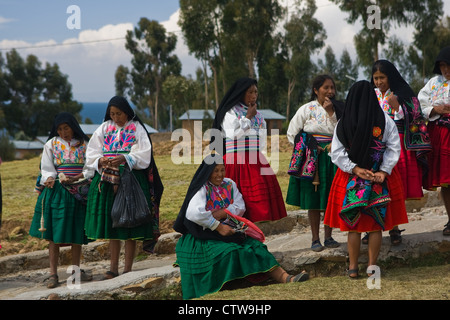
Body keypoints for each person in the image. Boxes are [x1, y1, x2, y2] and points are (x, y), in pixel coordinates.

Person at [173, 153, 308, 299]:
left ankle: (286, 278)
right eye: (215, 171)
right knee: (229, 252)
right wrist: (218, 226)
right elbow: (193, 213)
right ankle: (226, 289)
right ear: (208, 172)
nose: (220, 175)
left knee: (256, 247)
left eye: (222, 170)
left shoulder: (229, 184)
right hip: (203, 235)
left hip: (229, 227)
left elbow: (240, 206)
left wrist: (224, 212)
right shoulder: (203, 188)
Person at [324, 80, 408, 279]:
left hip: (350, 179)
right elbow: (394, 147)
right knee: (375, 224)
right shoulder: (384, 120)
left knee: (353, 225)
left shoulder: (343, 124)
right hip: (379, 178)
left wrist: (355, 169)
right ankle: (372, 267)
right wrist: (384, 171)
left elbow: (336, 153)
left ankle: (353, 268)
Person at [84, 96, 163, 279]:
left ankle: (127, 269)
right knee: (113, 227)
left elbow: (144, 153)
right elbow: (92, 151)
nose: (115, 117)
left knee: (130, 225)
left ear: (126, 112)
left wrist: (126, 158)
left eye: (118, 113)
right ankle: (112, 268)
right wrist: (101, 160)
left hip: (131, 179)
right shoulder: (104, 128)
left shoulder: (137, 128)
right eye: (112, 114)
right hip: (108, 178)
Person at [370, 59, 431, 245]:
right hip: (374, 148)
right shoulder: (370, 95)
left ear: (391, 77)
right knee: (373, 189)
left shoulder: (403, 94)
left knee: (395, 190)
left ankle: (394, 229)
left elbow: (416, 116)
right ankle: (371, 228)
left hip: (397, 148)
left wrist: (398, 107)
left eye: (382, 77)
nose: (379, 82)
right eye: (376, 78)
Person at [29, 112, 93, 288]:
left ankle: (75, 270)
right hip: (57, 192)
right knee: (53, 234)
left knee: (77, 232)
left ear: (73, 126)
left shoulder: (84, 144)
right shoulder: (51, 144)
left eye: (66, 128)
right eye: (59, 129)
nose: (63, 132)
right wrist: (49, 177)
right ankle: (52, 274)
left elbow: (90, 168)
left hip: (79, 191)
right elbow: (46, 167)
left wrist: (78, 177)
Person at [211, 77, 287, 222]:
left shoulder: (259, 116)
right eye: (250, 92)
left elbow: (261, 140)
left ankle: (254, 236)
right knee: (235, 200)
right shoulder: (230, 112)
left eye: (256, 92)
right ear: (241, 93)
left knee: (257, 204)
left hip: (254, 161)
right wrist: (247, 117)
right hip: (235, 161)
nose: (253, 96)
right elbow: (233, 135)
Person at [286, 75, 342, 251]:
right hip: (311, 159)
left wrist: (332, 112)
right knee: (313, 198)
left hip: (332, 158)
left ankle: (329, 237)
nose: (330, 91)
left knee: (329, 198)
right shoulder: (306, 109)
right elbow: (292, 133)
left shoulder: (340, 109)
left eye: (332, 88)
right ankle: (315, 239)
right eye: (326, 88)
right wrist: (308, 147)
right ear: (316, 90)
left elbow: (343, 130)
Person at [418, 46, 450, 236]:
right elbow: (420, 103)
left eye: (448, 65)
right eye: (442, 66)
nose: (445, 69)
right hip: (439, 134)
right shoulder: (433, 83)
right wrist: (435, 110)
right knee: (446, 181)